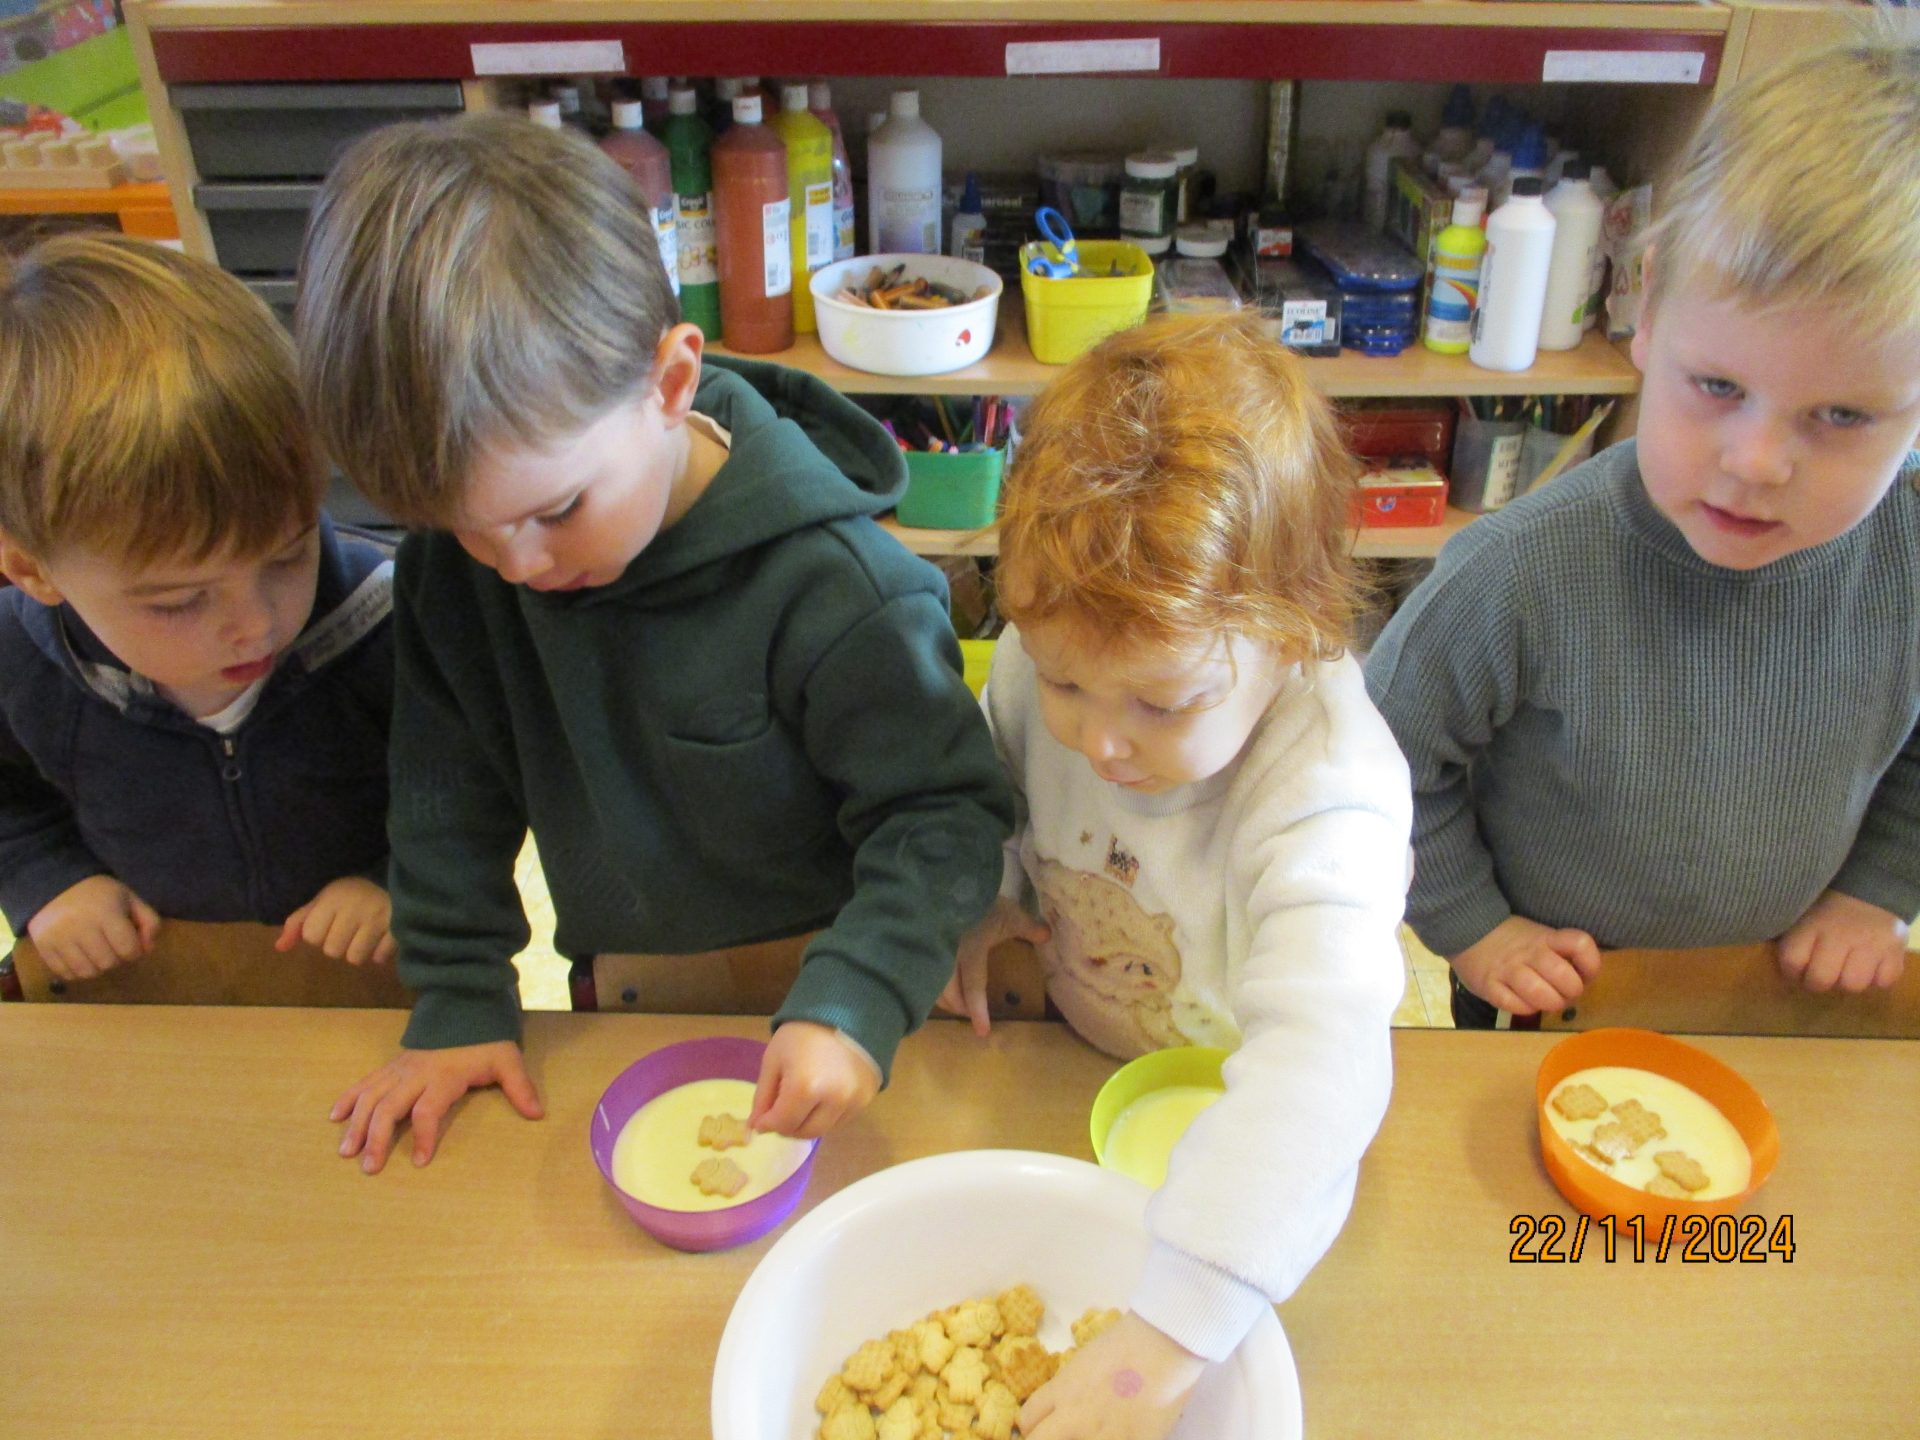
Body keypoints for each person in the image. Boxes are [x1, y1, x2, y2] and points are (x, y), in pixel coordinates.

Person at [295, 113, 1013, 1173]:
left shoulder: (835, 588)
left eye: (557, 511)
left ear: (671, 385)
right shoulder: (465, 568)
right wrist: (458, 999)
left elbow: (944, 814)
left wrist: (860, 995)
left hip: (841, 1011)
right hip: (626, 998)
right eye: (463, 527)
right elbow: (447, 794)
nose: (516, 566)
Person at [1366, 37, 1920, 1027]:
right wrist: (1474, 927)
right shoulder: (1519, 573)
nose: (1757, 463)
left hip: (1773, 989)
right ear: (1648, 307)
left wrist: (1877, 887)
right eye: (1719, 386)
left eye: (1841, 416)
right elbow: (1382, 758)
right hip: (1547, 987)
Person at [942, 313, 1411, 1440]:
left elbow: (1322, 1070)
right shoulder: (1051, 660)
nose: (1100, 742)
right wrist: (983, 897)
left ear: (1292, 638)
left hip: (1250, 1166)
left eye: (1163, 703)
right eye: (1066, 685)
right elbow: (991, 786)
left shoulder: (1329, 787)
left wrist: (1170, 1338)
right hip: (1070, 1084)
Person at [0, 233, 395, 981]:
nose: (258, 624)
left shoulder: (388, 626)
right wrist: (45, 878)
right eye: (179, 602)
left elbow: (471, 793)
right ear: (31, 570)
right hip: (160, 988)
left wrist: (396, 879)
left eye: (288, 556)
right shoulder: (18, 661)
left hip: (374, 981)